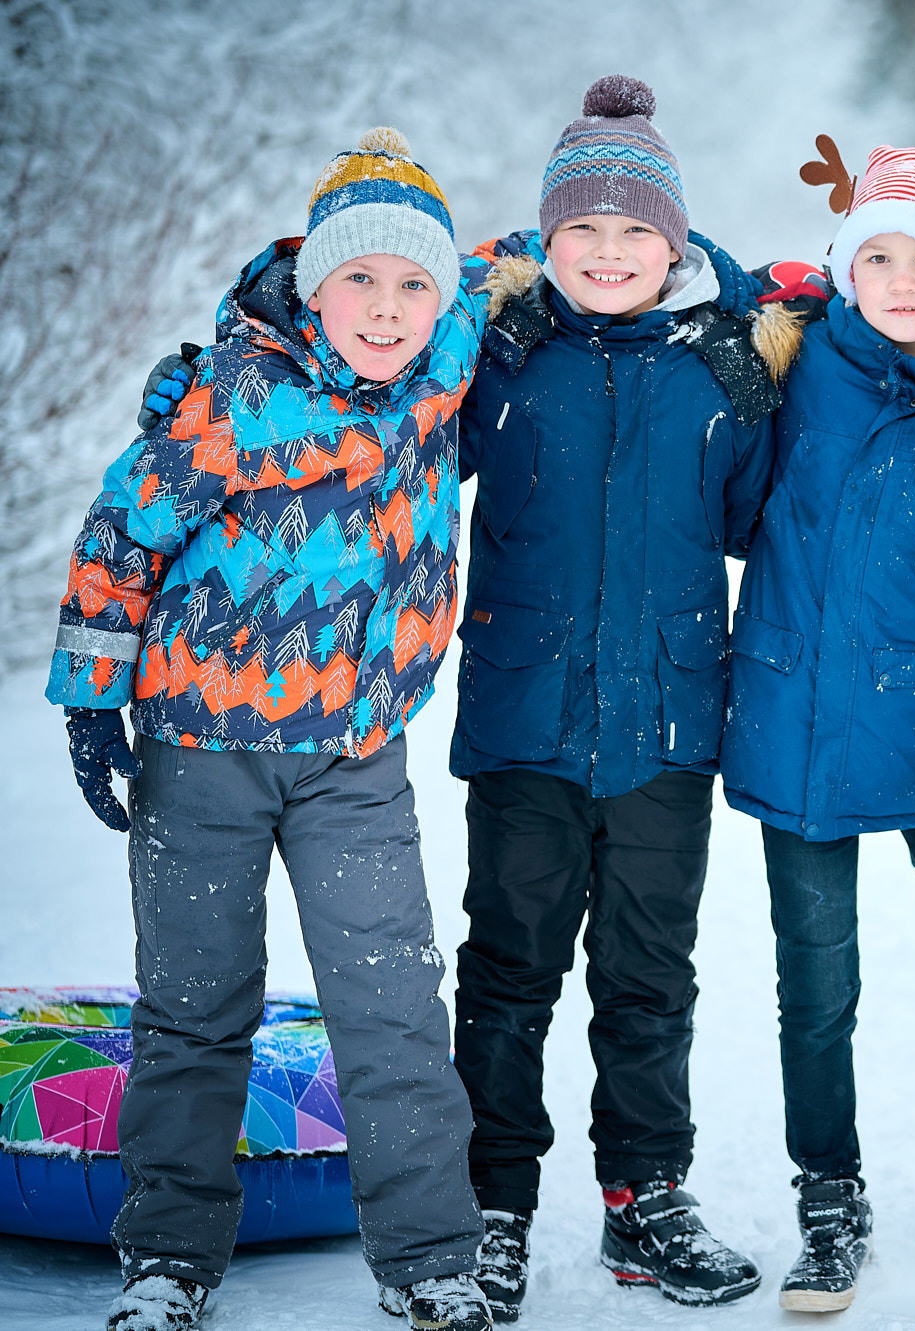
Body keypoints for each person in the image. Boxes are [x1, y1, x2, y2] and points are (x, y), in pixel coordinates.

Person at [51, 128, 492, 1331]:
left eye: (414, 282)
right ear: (312, 281)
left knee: (393, 1004)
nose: (388, 308)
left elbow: (576, 251)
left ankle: (431, 1259)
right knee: (194, 1000)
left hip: (357, 755)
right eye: (360, 278)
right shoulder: (237, 392)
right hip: (202, 750)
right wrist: (93, 693)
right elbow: (121, 528)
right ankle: (168, 1256)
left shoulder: (450, 356)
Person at [443, 75, 781, 1320]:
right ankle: (490, 1204)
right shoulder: (501, 356)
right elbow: (375, 371)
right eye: (581, 230)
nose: (608, 252)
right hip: (525, 717)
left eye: (637, 232)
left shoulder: (720, 367)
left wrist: (758, 346)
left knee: (650, 975)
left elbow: (754, 520)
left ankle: (645, 1194)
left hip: (667, 727)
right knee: (508, 969)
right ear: (545, 240)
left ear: (675, 244)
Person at [719, 127, 915, 1313]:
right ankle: (827, 1195)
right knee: (815, 982)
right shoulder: (793, 363)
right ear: (842, 268)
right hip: (796, 724)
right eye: (875, 257)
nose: (900, 281)